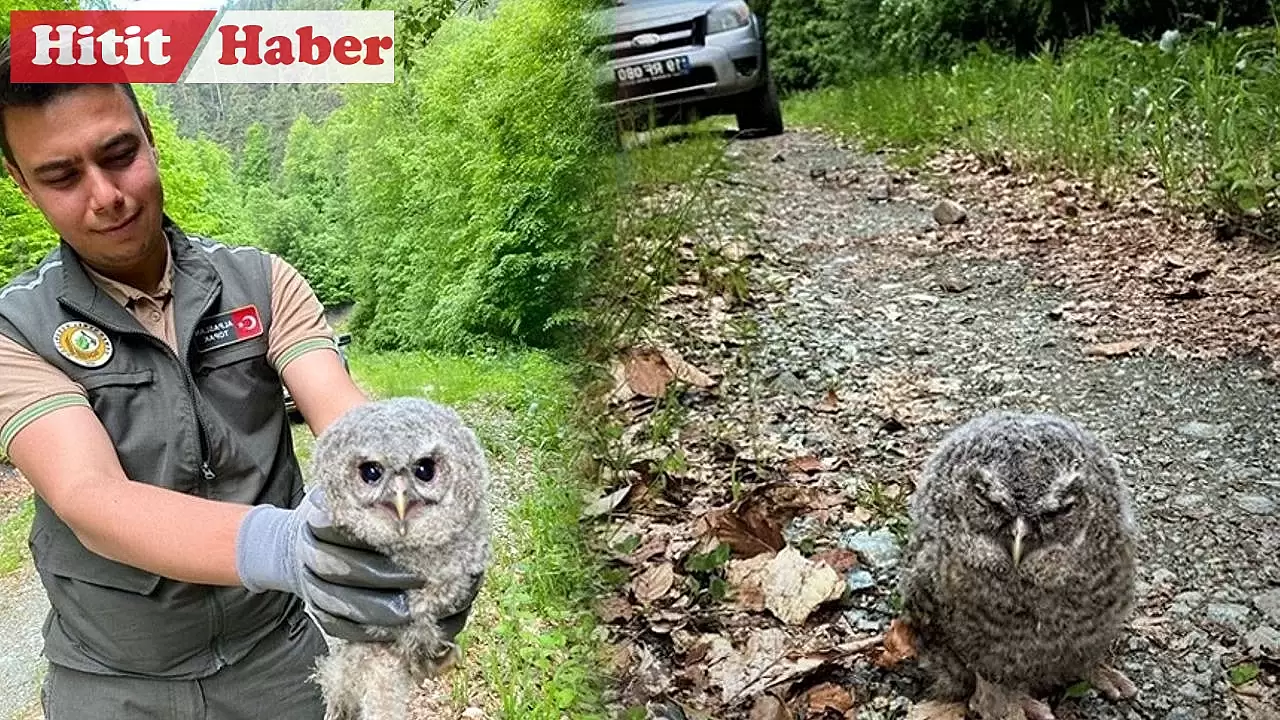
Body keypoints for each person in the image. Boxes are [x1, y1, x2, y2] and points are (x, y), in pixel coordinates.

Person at [0, 43, 475, 719]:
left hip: (280, 661)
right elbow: (89, 497)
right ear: (22, 184)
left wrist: (416, 514)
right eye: (61, 176)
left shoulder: (261, 282)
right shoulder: (15, 329)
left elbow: (346, 421)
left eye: (119, 154)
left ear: (151, 139)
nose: (105, 196)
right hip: (112, 684)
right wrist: (289, 547)